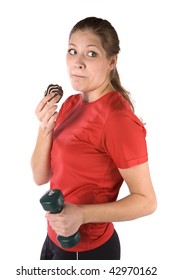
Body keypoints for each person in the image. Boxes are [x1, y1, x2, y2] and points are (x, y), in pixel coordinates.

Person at [31, 16, 157, 260]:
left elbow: (147, 201)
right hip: (53, 239)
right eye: (72, 51)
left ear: (112, 61)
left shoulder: (118, 120)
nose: (77, 63)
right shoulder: (70, 103)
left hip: (87, 250)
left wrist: (81, 215)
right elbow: (40, 176)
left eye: (91, 54)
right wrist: (45, 128)